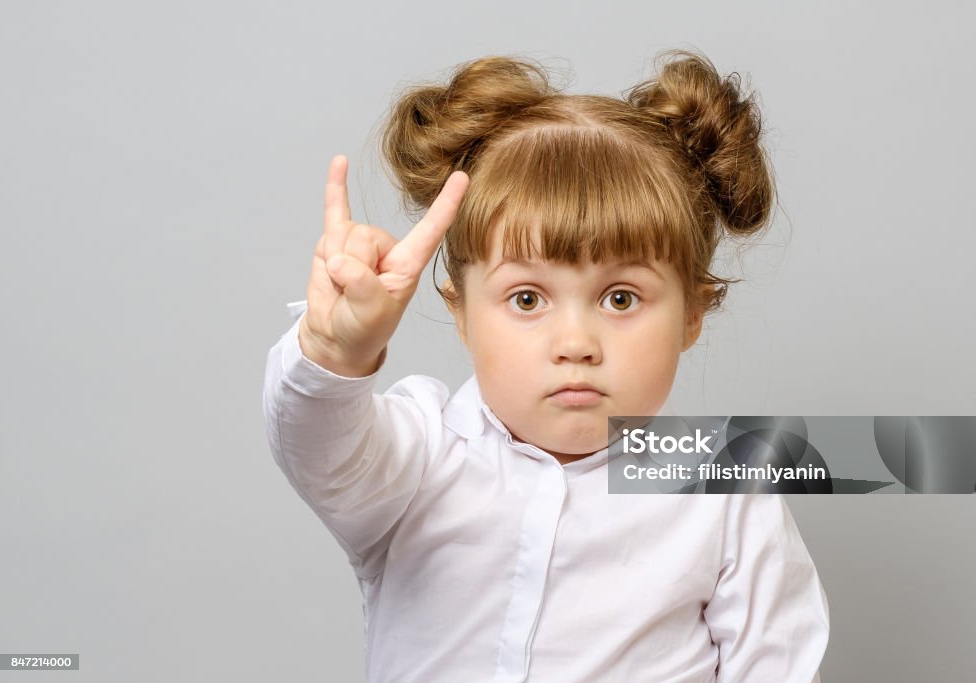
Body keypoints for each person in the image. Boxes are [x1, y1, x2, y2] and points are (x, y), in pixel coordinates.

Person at [262, 49, 829, 682]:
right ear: (461, 311)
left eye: (621, 298)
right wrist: (337, 351)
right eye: (527, 299)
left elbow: (775, 661)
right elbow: (319, 449)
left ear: (693, 313)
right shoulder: (419, 453)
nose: (575, 342)